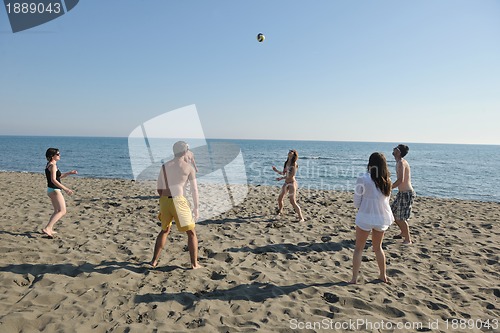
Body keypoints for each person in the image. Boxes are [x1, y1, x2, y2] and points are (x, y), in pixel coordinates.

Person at [150, 141, 201, 269]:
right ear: (185, 151)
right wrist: (196, 207)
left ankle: (153, 261)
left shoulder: (164, 166)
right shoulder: (188, 168)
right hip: (179, 201)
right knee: (191, 233)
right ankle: (194, 264)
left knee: (164, 230)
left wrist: (164, 200)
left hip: (165, 200)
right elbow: (194, 190)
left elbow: (159, 188)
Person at [349, 152, 393, 284]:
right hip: (381, 217)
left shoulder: (363, 178)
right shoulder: (387, 181)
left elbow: (356, 201)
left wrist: (362, 207)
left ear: (370, 164)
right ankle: (382, 275)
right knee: (378, 247)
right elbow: (386, 200)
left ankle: (354, 279)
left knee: (358, 248)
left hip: (366, 216)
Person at [42, 148, 78, 238]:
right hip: (55, 190)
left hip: (51, 190)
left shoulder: (50, 165)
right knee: (62, 211)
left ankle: (49, 229)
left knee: (57, 211)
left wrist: (69, 173)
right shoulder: (53, 166)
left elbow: (58, 176)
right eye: (58, 154)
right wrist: (66, 189)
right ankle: (47, 228)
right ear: (52, 156)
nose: (59, 155)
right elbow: (53, 180)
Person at [391, 144, 415, 244]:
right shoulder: (399, 162)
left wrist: (389, 188)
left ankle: (408, 239)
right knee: (392, 213)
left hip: (406, 193)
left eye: (395, 148)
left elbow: (400, 180)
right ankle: (403, 232)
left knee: (400, 218)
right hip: (401, 193)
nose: (393, 149)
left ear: (399, 152)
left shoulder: (401, 162)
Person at [272, 149, 304, 222]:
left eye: (291, 151)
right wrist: (276, 170)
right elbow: (284, 173)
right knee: (280, 198)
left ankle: (301, 218)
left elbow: (291, 175)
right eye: (289, 151)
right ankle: (280, 211)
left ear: (294, 154)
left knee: (292, 201)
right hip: (286, 183)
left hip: (292, 183)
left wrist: (281, 178)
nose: (290, 152)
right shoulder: (286, 163)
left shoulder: (294, 164)